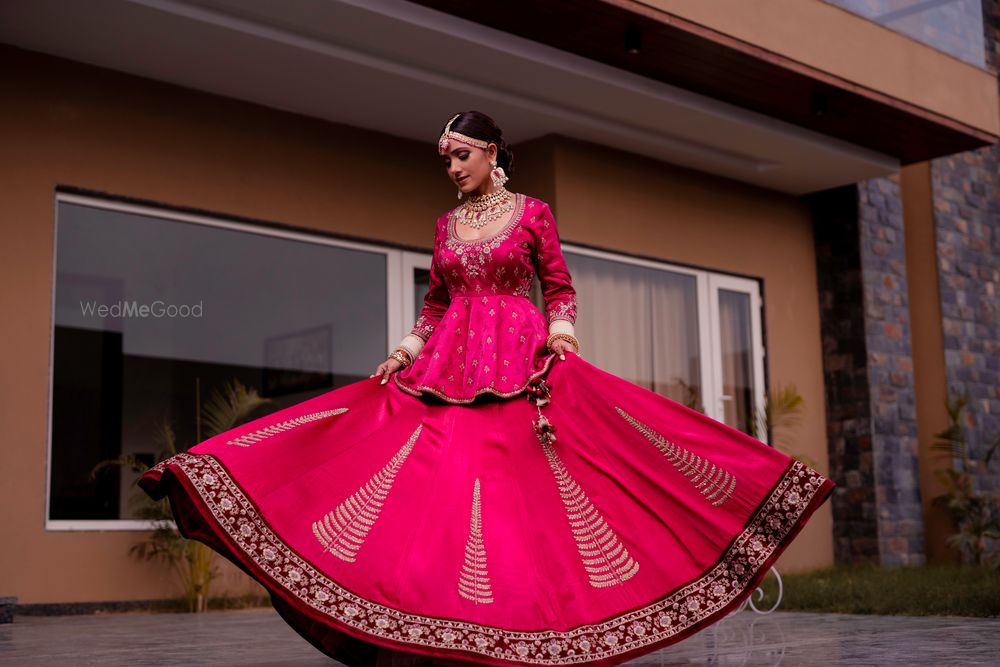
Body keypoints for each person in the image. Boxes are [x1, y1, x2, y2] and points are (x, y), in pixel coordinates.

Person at [139, 110, 834, 667]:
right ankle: (440, 628)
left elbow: (559, 284)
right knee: (426, 482)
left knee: (531, 496)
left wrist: (562, 332)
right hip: (449, 364)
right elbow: (437, 300)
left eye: (461, 154)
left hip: (522, 361)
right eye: (445, 158)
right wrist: (406, 346)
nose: (451, 167)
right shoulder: (445, 225)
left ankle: (535, 628)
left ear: (494, 152)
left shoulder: (533, 214)